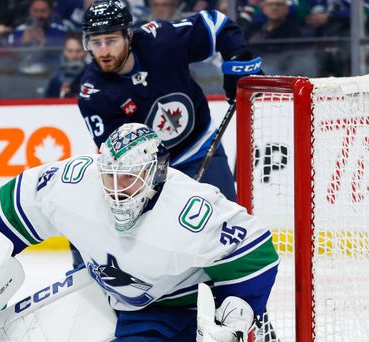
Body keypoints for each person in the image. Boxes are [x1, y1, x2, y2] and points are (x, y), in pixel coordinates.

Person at [0, 123, 278, 342]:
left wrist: (229, 332)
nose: (115, 189)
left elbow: (255, 254)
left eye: (127, 177)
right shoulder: (76, 182)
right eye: (109, 176)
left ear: (156, 171)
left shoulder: (189, 211)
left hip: (169, 315)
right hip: (99, 300)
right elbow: (16, 204)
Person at [76, 0, 262, 202]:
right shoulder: (93, 93)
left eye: (111, 40)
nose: (103, 51)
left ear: (128, 35)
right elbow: (121, 158)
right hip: (153, 175)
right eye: (96, 42)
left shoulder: (161, 40)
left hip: (202, 146)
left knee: (226, 224)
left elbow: (217, 24)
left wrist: (238, 60)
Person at [44, 32, 86, 98]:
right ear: (64, 51)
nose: (74, 56)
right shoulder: (56, 78)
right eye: (70, 51)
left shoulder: (93, 75)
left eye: (78, 51)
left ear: (85, 51)